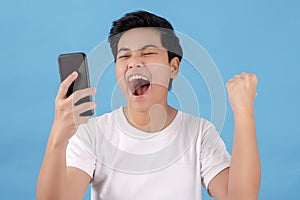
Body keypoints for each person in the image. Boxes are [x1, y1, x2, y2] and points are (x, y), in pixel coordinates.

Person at [37, 10, 260, 200]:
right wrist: (58, 136)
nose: (134, 62)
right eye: (124, 57)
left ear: (173, 67)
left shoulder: (199, 134)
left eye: (148, 53)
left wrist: (244, 113)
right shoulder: (93, 134)